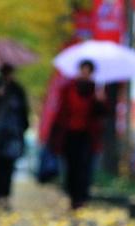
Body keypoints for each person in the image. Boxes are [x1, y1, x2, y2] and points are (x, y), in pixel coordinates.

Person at [51, 60, 106, 209]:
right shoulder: (69, 88)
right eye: (83, 70)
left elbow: (101, 115)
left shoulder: (96, 91)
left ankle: (81, 197)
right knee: (71, 165)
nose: (85, 73)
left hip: (87, 135)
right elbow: (61, 112)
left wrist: (100, 101)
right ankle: (73, 195)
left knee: (84, 165)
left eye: (88, 70)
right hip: (69, 133)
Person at [0, 64, 29, 210]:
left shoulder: (18, 89)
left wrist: (22, 129)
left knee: (8, 165)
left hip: (12, 134)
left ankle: (5, 196)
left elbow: (24, 112)